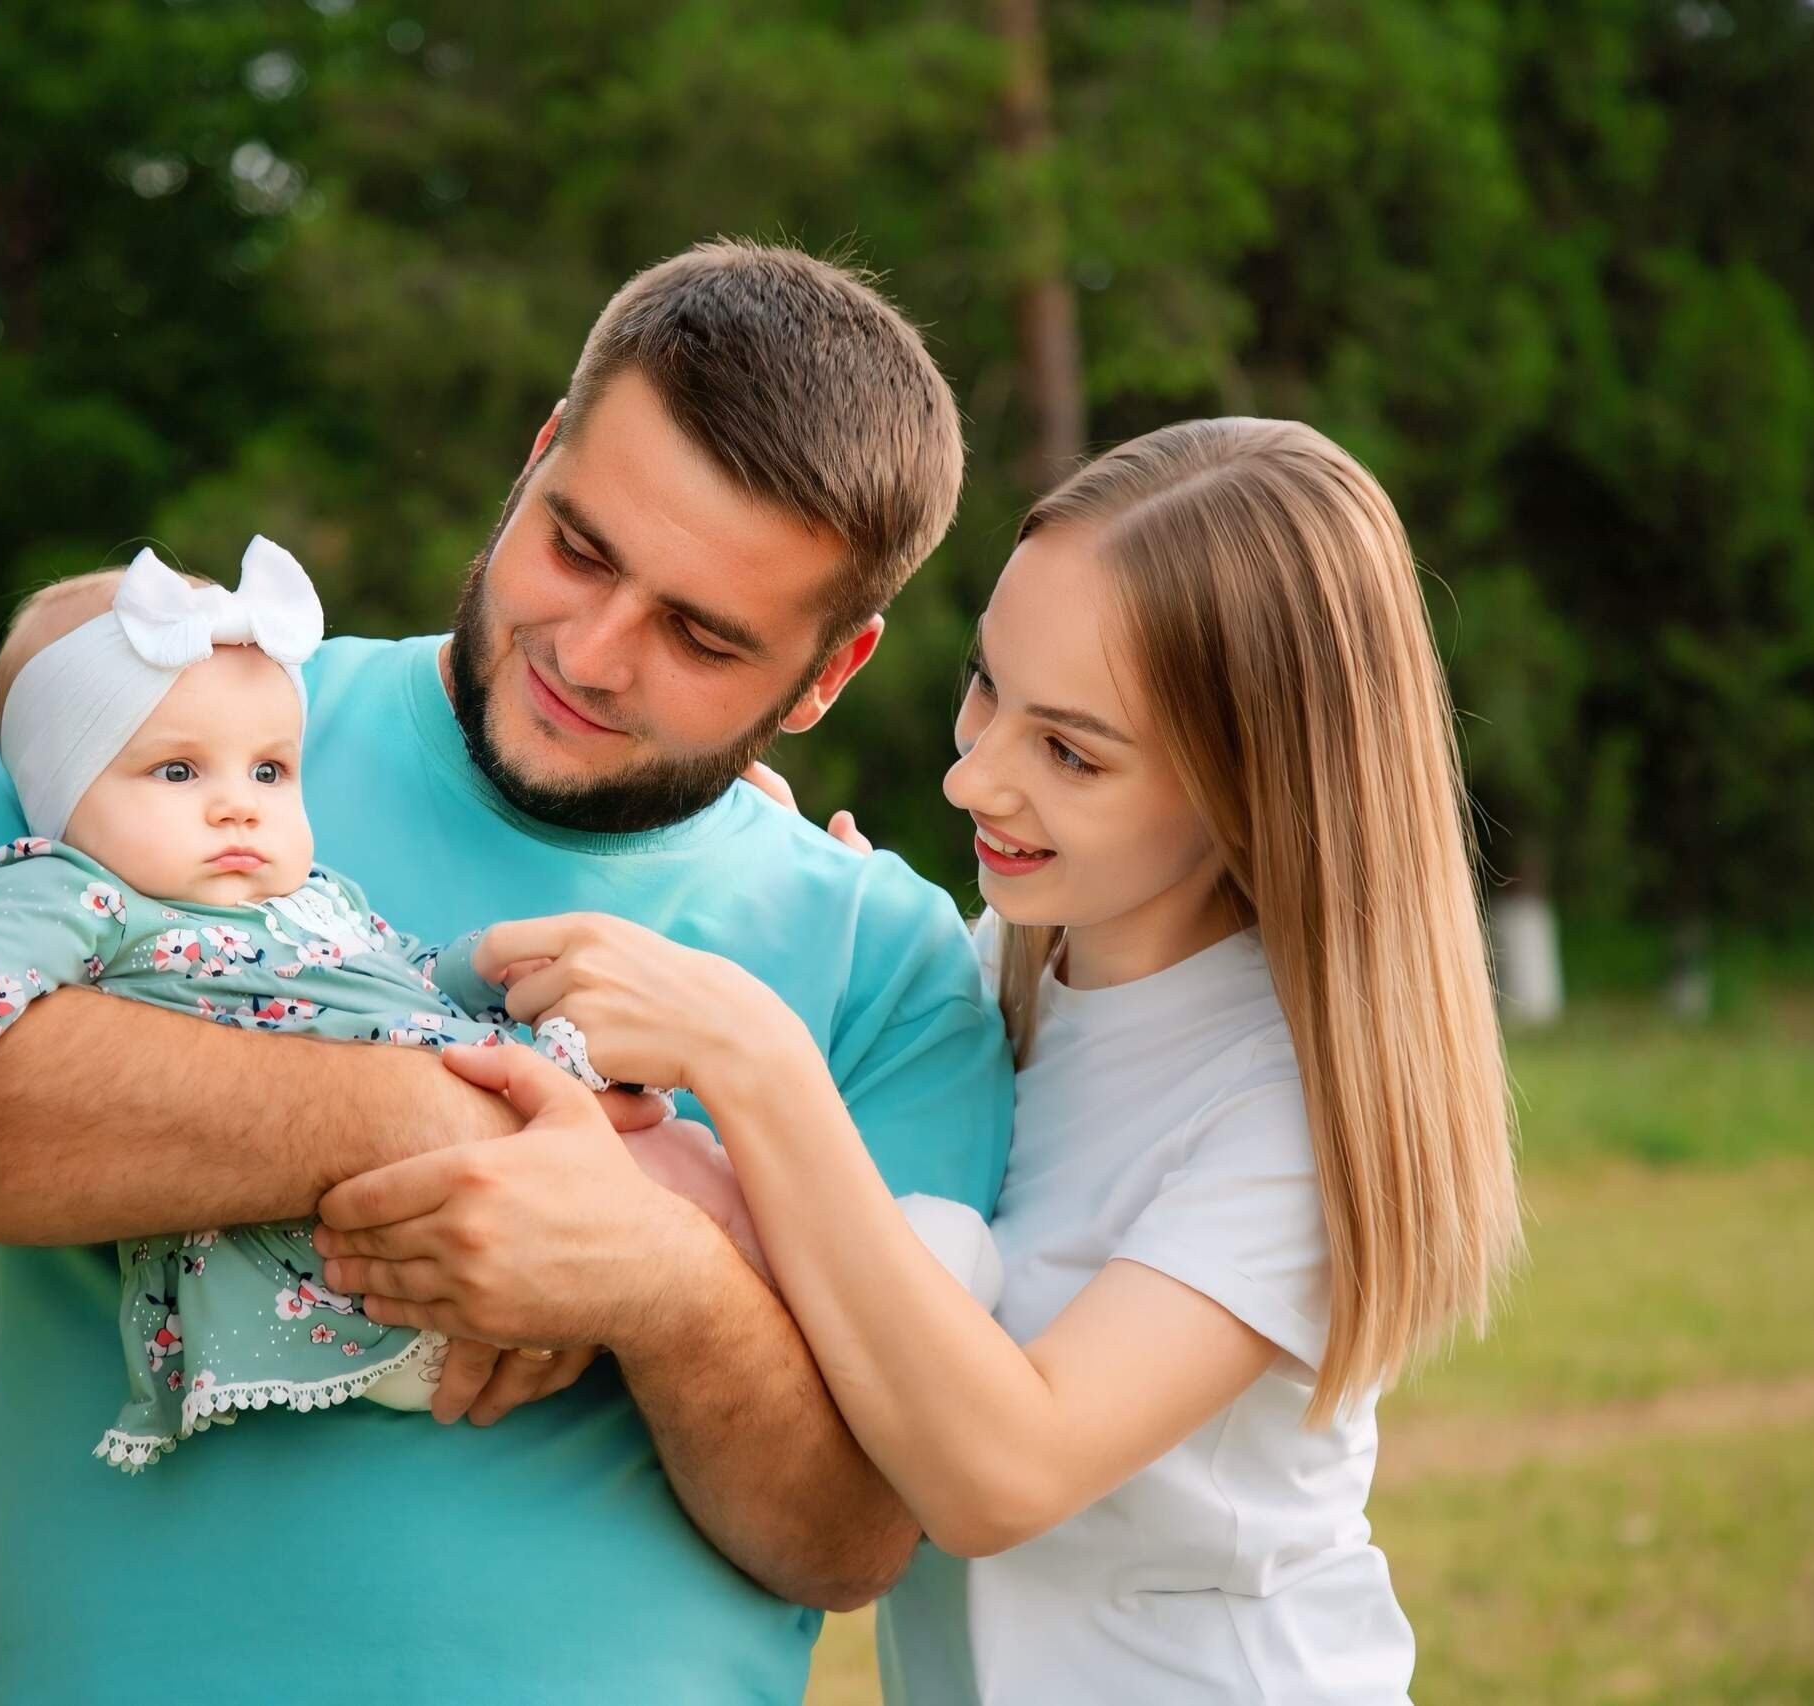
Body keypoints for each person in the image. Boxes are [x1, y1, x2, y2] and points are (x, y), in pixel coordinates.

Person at [0, 240, 1013, 1704]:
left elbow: (849, 1535)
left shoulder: (894, 960)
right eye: (582, 547)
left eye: (701, 633)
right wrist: (436, 1125)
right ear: (539, 454)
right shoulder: (165, 717)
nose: (595, 652)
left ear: (829, 671)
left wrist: (662, 1276)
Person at [341, 418, 1522, 1702]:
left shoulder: (1285, 1108)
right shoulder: (1004, 969)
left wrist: (760, 1053)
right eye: (987, 688)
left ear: (1252, 788)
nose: (972, 776)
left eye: (1069, 751)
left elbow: (997, 1473)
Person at [0, 540, 786, 1470]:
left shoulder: (310, 896)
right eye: (178, 770)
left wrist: (476, 964)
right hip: (359, 1267)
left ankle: (769, 1259)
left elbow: (394, 972)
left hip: (477, 1172)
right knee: (658, 1177)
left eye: (268, 769)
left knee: (679, 1154)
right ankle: (760, 1270)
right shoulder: (71, 895)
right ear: (64, 798)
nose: (238, 804)